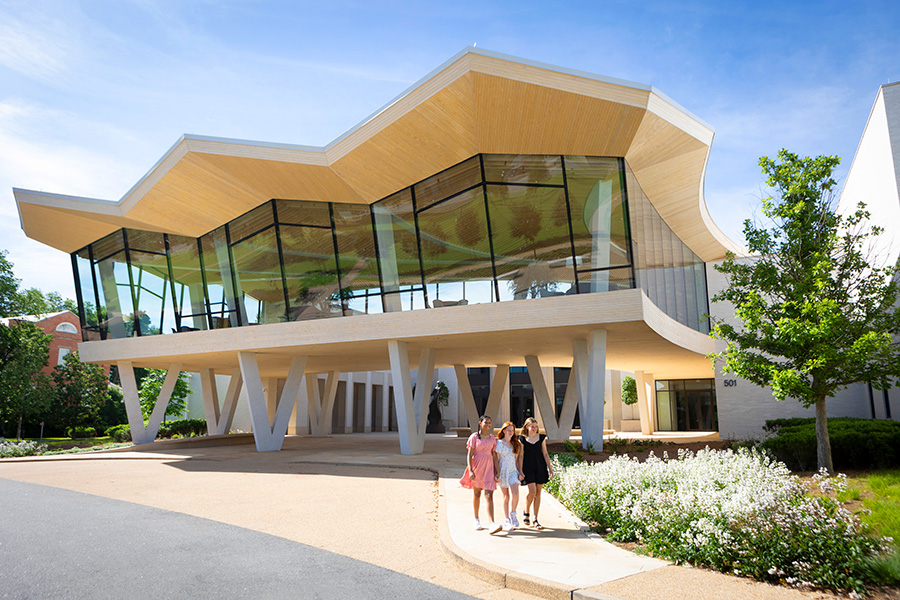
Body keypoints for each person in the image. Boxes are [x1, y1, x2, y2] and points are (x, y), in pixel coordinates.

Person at [460, 415, 502, 534]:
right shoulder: (474, 437)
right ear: (480, 423)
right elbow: (469, 454)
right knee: (477, 493)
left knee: (489, 494)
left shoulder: (492, 438)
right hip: (477, 466)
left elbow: (494, 454)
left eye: (490, 423)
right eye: (486, 422)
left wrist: (497, 471)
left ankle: (492, 523)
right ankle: (476, 519)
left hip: (489, 467)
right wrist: (471, 469)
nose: (488, 425)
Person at [518, 417, 553, 530]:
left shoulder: (542, 438)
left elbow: (545, 454)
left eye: (536, 426)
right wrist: (520, 470)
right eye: (532, 426)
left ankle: (535, 519)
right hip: (528, 467)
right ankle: (526, 510)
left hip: (540, 466)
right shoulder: (522, 439)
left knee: (538, 493)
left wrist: (550, 468)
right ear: (527, 427)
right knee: (532, 492)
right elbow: (521, 455)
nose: (534, 428)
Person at [495, 421, 524, 531]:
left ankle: (513, 513)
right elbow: (496, 460)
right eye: (509, 430)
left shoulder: (516, 444)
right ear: (503, 431)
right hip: (503, 472)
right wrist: (496, 473)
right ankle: (506, 519)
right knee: (506, 496)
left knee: (515, 494)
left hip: (513, 471)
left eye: (512, 430)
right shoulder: (499, 444)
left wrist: (520, 472)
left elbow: (517, 460)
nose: (511, 432)